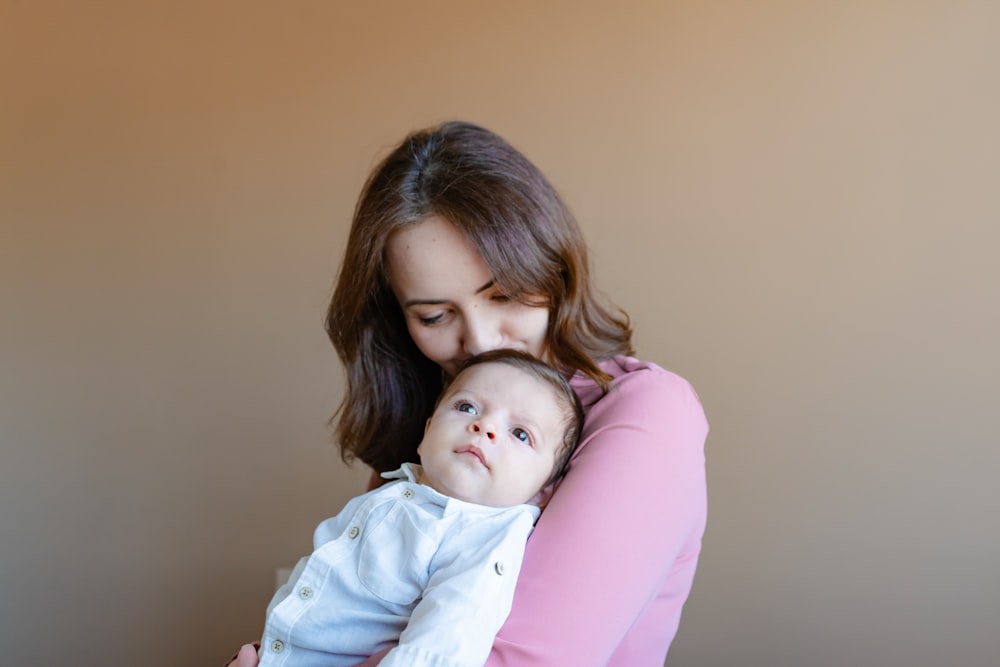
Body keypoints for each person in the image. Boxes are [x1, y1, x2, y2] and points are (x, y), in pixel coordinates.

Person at [230, 120, 708, 666]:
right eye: (434, 315)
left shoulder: (646, 413)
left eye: (503, 295)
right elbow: (343, 613)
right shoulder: (441, 433)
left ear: (553, 268)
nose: (479, 341)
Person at [255, 349, 584, 667]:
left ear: (543, 490)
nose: (485, 427)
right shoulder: (398, 492)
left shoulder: (484, 536)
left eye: (520, 434)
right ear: (426, 433)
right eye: (467, 407)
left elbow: (447, 634)